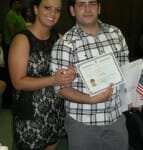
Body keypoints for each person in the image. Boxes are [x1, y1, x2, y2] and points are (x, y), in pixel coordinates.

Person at [51, 0, 129, 150]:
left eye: (92, 3)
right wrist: (91, 99)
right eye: (81, 4)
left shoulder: (115, 33)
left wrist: (133, 96)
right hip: (83, 124)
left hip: (116, 118)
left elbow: (125, 68)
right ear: (72, 11)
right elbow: (60, 89)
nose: (87, 9)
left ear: (99, 8)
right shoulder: (64, 44)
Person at [8, 0, 75, 149]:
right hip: (30, 116)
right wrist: (53, 80)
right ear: (36, 9)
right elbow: (18, 82)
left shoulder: (59, 38)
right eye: (47, 8)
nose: (53, 14)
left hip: (55, 112)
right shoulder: (22, 40)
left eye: (57, 10)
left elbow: (65, 70)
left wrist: (70, 72)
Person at [4, 0, 26, 66]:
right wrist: (16, 44)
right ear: (13, 4)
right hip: (11, 44)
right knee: (12, 65)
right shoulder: (11, 14)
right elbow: (12, 32)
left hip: (18, 43)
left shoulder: (18, 14)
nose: (20, 5)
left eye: (21, 3)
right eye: (18, 3)